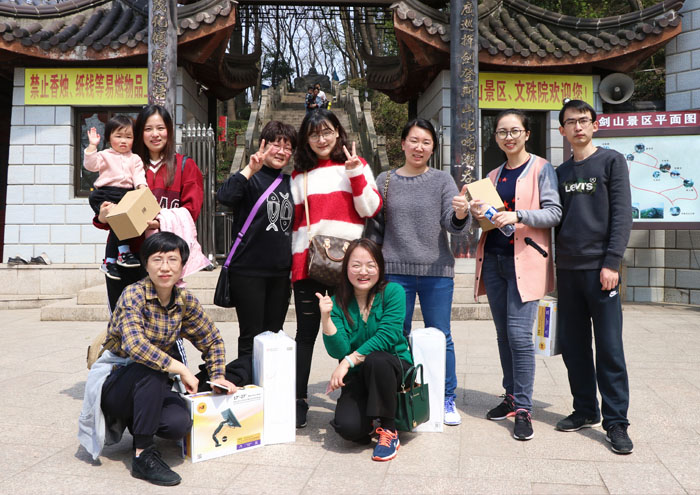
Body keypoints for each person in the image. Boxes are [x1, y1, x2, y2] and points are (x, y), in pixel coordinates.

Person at [78, 232, 236, 486]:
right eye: (157, 260)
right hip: (117, 383)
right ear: (146, 264)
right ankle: (142, 455)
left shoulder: (184, 301)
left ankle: (141, 421)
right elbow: (135, 346)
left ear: (182, 266)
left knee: (177, 424)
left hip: (151, 385)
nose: (165, 267)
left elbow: (211, 339)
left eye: (172, 260)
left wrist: (218, 376)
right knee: (151, 368)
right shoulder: (133, 294)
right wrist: (181, 368)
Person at [468, 109, 562, 441]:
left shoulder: (541, 168)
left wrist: (518, 215)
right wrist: (478, 213)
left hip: (526, 261)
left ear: (527, 134)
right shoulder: (492, 176)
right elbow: (487, 222)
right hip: (494, 261)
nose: (508, 137)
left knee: (520, 337)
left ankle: (523, 408)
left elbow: (554, 212)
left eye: (514, 131)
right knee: (503, 335)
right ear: (495, 137)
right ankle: (510, 396)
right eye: (502, 132)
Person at [290, 108, 382, 428]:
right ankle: (299, 398)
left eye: (327, 131)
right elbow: (296, 224)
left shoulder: (356, 165)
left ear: (338, 133)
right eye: (314, 134)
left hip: (349, 267)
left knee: (352, 329)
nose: (321, 139)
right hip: (309, 265)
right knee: (305, 335)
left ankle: (353, 391)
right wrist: (295, 267)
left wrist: (355, 174)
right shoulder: (300, 175)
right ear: (306, 139)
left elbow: (370, 208)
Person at [376, 118, 469, 426]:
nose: (419, 147)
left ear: (433, 148)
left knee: (442, 335)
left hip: (436, 271)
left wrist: (460, 213)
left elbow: (453, 225)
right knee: (394, 335)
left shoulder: (442, 180)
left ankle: (447, 397)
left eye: (426, 142)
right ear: (403, 143)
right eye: (414, 140)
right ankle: (397, 394)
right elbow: (371, 219)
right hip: (394, 271)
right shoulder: (385, 179)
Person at [555, 99, 634, 454]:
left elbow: (622, 215)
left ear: (595, 124)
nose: (578, 127)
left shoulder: (612, 162)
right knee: (573, 347)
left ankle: (616, 421)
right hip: (567, 271)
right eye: (571, 122)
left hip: (602, 271)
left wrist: (612, 263)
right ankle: (585, 409)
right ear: (562, 130)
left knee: (609, 348)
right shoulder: (560, 173)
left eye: (583, 120)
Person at [94, 104, 204, 312]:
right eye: (148, 129)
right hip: (126, 257)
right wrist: (102, 216)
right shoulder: (125, 164)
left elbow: (192, 211)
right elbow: (106, 213)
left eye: (160, 128)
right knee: (124, 320)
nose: (155, 134)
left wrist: (160, 221)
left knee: (162, 322)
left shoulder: (185, 166)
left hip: (164, 259)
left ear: (169, 131)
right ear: (139, 133)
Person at [317, 238, 412, 461]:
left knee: (376, 359)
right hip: (359, 376)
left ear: (380, 267)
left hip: (393, 368)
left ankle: (389, 429)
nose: (363, 272)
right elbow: (338, 350)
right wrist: (326, 318)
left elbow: (388, 336)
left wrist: (348, 361)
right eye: (356, 265)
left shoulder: (393, 292)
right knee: (348, 428)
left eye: (370, 265)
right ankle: (370, 418)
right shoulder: (338, 301)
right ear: (346, 268)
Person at [216, 121, 297, 357]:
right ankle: (246, 379)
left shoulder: (291, 183)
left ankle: (268, 379)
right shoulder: (250, 178)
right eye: (276, 145)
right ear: (264, 144)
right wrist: (249, 169)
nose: (281, 151)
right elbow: (225, 197)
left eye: (287, 147)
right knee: (250, 336)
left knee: (274, 335)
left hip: (280, 274)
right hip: (248, 271)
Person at [84, 115, 147, 279]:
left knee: (117, 224)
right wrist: (92, 146)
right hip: (104, 194)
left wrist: (142, 188)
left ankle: (110, 261)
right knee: (117, 221)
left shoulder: (135, 159)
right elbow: (90, 166)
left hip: (125, 195)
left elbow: (139, 176)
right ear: (109, 137)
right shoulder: (104, 155)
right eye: (118, 136)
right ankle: (123, 253)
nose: (123, 141)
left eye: (128, 137)